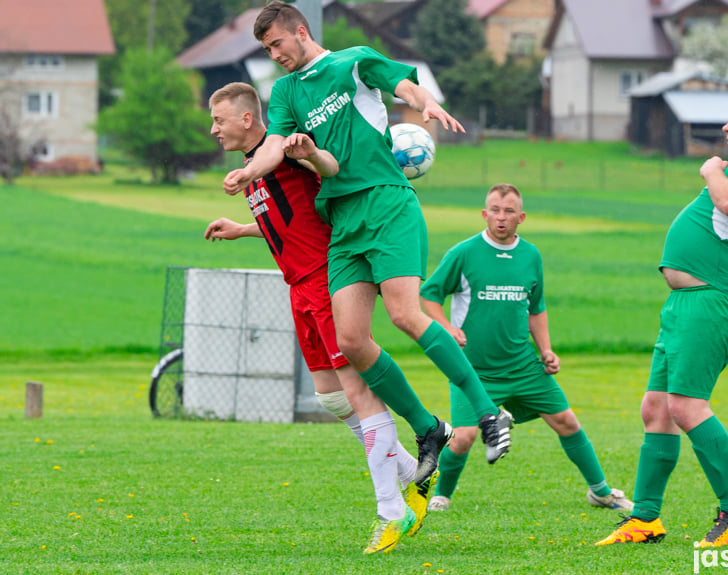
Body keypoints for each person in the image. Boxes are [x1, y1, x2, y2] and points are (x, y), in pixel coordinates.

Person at [222, 1, 514, 540]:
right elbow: (272, 149)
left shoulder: (353, 61)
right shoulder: (286, 94)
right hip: (342, 217)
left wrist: (427, 106)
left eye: (275, 45)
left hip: (385, 201)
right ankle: (428, 430)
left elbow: (406, 88)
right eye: (266, 50)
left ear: (300, 33)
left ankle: (488, 411)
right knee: (354, 340)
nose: (273, 55)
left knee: (405, 314)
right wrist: (249, 170)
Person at [205, 82, 435, 554]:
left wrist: (311, 153)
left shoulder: (284, 152)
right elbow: (291, 218)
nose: (214, 130)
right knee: (331, 398)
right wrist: (243, 230)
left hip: (326, 280)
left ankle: (392, 510)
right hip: (298, 287)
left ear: (247, 120)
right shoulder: (258, 168)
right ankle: (412, 472)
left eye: (219, 120)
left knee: (359, 394)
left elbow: (327, 175)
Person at [597, 92, 728, 548]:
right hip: (691, 302)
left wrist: (710, 170)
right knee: (657, 408)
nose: (727, 128)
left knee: (685, 406)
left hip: (709, 302)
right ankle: (644, 519)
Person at [419, 183, 634, 514]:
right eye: (494, 210)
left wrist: (546, 350)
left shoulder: (531, 255)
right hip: (472, 370)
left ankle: (601, 492)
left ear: (521, 217)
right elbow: (428, 295)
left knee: (566, 421)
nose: (501, 218)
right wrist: (447, 328)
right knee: (463, 438)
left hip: (522, 365)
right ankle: (441, 496)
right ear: (484, 214)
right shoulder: (464, 253)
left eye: (508, 212)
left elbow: (536, 308)